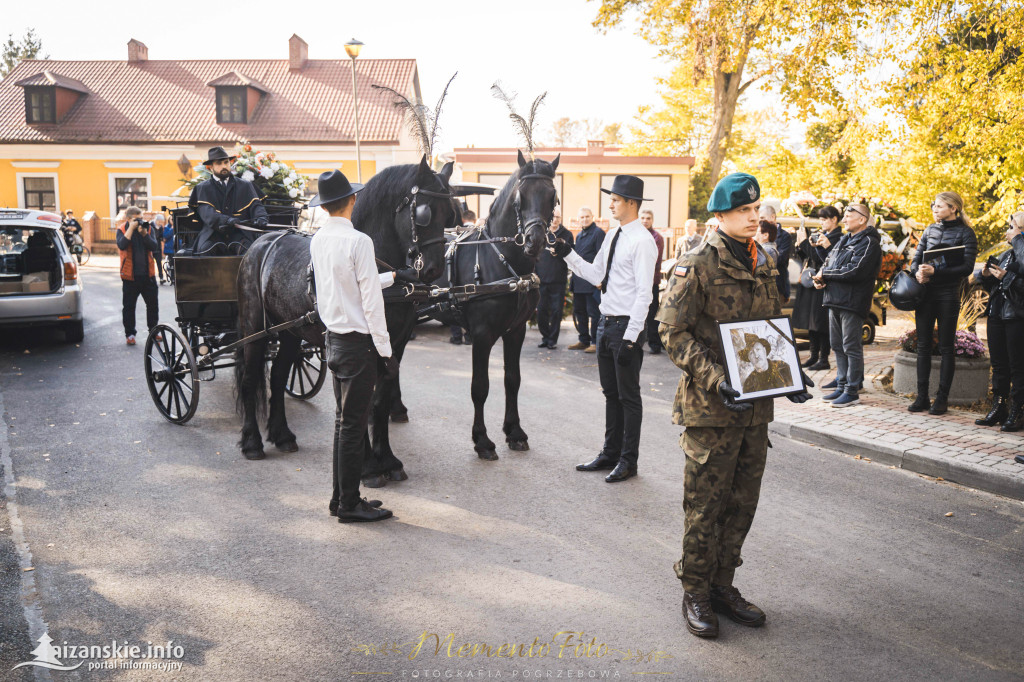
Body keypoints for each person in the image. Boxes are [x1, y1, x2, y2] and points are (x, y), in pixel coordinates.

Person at [656, 171, 812, 639]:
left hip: (755, 409)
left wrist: (789, 374)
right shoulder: (697, 263)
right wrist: (717, 379)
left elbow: (768, 327)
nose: (753, 217)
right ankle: (696, 591)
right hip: (711, 408)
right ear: (720, 214)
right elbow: (672, 333)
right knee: (705, 505)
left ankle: (724, 585)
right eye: (743, 210)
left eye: (755, 209)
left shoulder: (764, 258)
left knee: (742, 503)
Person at [550, 176, 659, 483]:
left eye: (615, 199)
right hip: (605, 324)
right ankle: (610, 453)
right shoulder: (612, 236)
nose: (610, 203)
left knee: (629, 396)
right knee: (611, 394)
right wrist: (567, 252)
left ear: (631, 204)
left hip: (626, 326)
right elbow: (595, 273)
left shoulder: (643, 241)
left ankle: (628, 460)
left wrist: (631, 337)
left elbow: (644, 295)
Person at [309, 170, 399, 524]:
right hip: (359, 345)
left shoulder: (318, 240)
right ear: (353, 201)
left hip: (334, 340)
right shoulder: (360, 241)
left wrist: (392, 276)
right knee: (352, 427)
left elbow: (344, 284)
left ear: (325, 205)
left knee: (343, 424)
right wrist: (386, 351)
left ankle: (341, 497)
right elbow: (370, 302)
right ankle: (348, 504)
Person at [908, 191, 978, 415]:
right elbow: (915, 260)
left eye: (939, 205)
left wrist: (935, 270)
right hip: (925, 294)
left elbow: (967, 268)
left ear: (953, 208)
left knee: (947, 347)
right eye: (933, 205)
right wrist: (917, 273)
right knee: (923, 346)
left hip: (948, 295)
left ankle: (942, 399)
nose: (934, 209)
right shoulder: (929, 230)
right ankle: (921, 397)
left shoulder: (966, 233)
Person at [812, 203, 882, 408]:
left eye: (848, 216)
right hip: (834, 298)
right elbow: (830, 262)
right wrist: (821, 277)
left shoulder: (869, 242)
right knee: (837, 345)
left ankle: (852, 390)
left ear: (862, 219)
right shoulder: (844, 239)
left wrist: (827, 274)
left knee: (851, 346)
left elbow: (856, 270)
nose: (844, 220)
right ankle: (841, 386)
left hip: (852, 301)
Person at [976, 214, 1024, 432]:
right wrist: (986, 274)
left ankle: (1018, 410)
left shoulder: (1020, 251)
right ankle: (999, 406)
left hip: (1017, 316)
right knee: (999, 365)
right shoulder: (1007, 254)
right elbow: (989, 282)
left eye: (1012, 227)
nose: (1008, 231)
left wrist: (1007, 276)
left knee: (1017, 367)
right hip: (997, 314)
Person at [189, 146, 269, 255]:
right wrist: (226, 220)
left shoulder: (245, 185)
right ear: (210, 167)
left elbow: (256, 206)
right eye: (219, 163)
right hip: (212, 235)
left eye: (226, 162)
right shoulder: (202, 188)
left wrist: (261, 217)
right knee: (205, 252)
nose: (224, 166)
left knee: (251, 253)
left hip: (240, 234)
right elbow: (207, 213)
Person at [792, 206, 843, 372]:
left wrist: (805, 242)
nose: (821, 223)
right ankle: (814, 356)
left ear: (834, 219)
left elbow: (821, 257)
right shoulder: (824, 235)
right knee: (811, 322)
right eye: (820, 220)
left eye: (824, 219)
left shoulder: (837, 237)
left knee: (821, 323)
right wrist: (801, 246)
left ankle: (823, 358)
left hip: (823, 282)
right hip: (811, 281)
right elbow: (809, 257)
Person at [116, 207, 160, 346]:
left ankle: (153, 331)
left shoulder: (148, 228)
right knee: (129, 307)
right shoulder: (122, 229)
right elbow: (122, 245)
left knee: (153, 306)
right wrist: (131, 229)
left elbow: (154, 246)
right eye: (137, 219)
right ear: (128, 219)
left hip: (148, 276)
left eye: (141, 218)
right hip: (130, 277)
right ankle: (130, 334)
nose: (140, 221)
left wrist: (144, 234)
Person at [536, 206, 574, 348]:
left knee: (557, 312)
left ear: (561, 218)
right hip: (541, 280)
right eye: (552, 217)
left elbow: (571, 255)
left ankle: (552, 340)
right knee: (541, 312)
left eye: (558, 217)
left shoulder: (567, 234)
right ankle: (545, 337)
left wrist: (559, 253)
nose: (554, 220)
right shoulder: (541, 233)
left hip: (558, 280)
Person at [568, 207, 605, 353]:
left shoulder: (598, 233)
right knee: (580, 312)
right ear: (579, 220)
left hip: (591, 282)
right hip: (578, 281)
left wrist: (599, 280)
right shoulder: (580, 235)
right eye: (582, 217)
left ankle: (595, 342)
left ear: (593, 217)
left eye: (587, 216)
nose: (584, 219)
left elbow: (601, 258)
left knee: (594, 313)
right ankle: (583, 340)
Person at [448, 210, 477, 345]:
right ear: (474, 219)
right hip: (475, 278)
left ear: (462, 220)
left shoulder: (457, 234)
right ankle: (470, 335)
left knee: (454, 304)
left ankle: (456, 336)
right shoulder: (479, 234)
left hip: (457, 275)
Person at [640, 208, 665, 354]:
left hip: (651, 282)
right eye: (642, 218)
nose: (645, 221)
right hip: (636, 281)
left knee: (652, 313)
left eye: (648, 218)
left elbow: (652, 261)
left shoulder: (657, 237)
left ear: (652, 220)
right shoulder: (636, 236)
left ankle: (655, 343)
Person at [760, 205, 792, 304]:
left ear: (773, 217)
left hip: (777, 284)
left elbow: (781, 259)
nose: (760, 222)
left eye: (762, 218)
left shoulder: (785, 236)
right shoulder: (758, 233)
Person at [151, 214, 167, 282]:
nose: (160, 223)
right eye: (159, 221)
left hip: (158, 248)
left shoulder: (160, 227)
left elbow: (160, 236)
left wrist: (162, 238)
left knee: (159, 263)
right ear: (156, 220)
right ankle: (151, 278)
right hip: (151, 247)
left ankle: (161, 278)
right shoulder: (150, 225)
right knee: (150, 264)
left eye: (162, 222)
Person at [161, 217, 175, 284]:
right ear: (169, 220)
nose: (173, 220)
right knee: (171, 264)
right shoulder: (167, 227)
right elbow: (165, 236)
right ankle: (172, 278)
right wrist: (172, 229)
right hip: (170, 249)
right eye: (171, 219)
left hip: (177, 248)